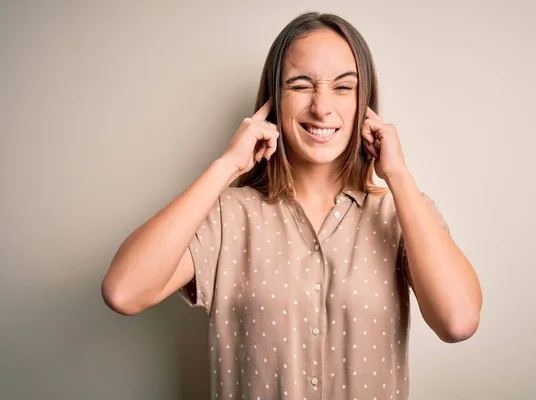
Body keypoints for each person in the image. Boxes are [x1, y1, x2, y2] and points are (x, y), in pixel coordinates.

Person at [101, 11, 482, 400]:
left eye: (343, 88)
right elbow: (124, 292)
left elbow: (459, 321)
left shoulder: (400, 213)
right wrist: (226, 165)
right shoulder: (228, 216)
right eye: (301, 85)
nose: (321, 107)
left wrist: (397, 174)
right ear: (273, 100)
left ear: (364, 103)